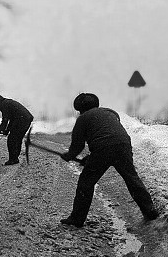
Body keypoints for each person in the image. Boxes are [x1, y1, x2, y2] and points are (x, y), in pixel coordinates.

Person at [59, 92, 162, 228]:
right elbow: (109, 136)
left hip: (103, 148)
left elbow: (78, 145)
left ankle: (77, 218)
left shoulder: (83, 119)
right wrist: (90, 159)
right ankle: (150, 211)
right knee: (131, 178)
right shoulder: (111, 113)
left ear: (80, 109)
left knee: (86, 182)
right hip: (123, 145)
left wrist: (69, 155)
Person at [0, 93, 34, 166]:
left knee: (11, 139)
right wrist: (7, 130)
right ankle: (15, 158)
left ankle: (12, 159)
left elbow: (5, 121)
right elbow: (12, 119)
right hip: (26, 119)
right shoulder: (7, 103)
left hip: (22, 120)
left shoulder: (4, 105)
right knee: (17, 139)